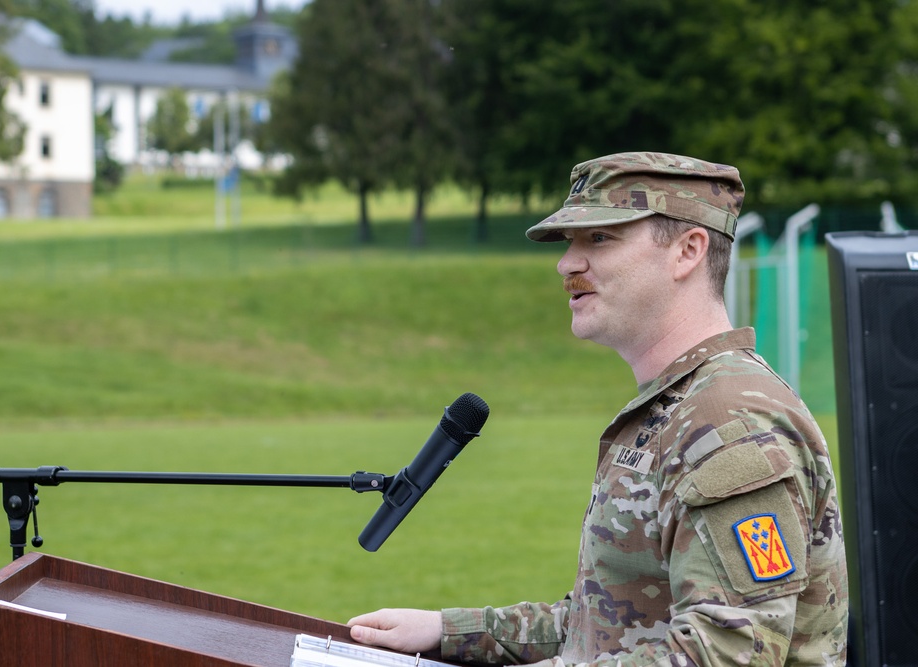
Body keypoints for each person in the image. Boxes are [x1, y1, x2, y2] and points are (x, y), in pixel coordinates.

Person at [347, 152, 849, 665]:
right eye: (570, 243)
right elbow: (612, 622)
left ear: (688, 251)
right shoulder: (678, 406)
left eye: (600, 238)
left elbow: (727, 652)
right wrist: (450, 631)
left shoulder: (728, 422)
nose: (567, 263)